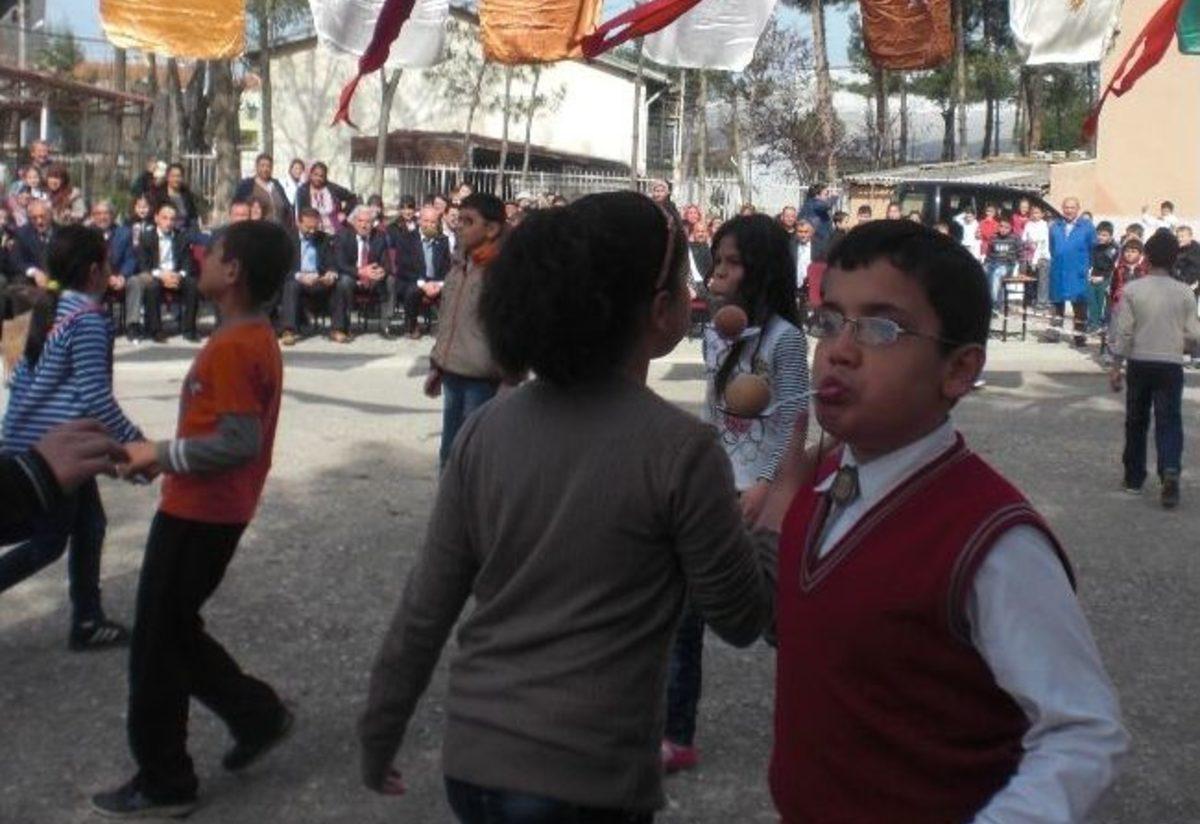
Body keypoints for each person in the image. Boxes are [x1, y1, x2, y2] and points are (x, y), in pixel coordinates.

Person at [359, 190, 774, 822]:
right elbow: (741, 616)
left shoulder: (485, 430)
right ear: (659, 310)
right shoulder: (681, 452)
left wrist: (379, 731)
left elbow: (426, 606)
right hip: (590, 779)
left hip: (473, 762)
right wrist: (775, 517)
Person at [768, 218, 1128, 823]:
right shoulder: (820, 485)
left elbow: (1084, 731)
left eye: (880, 328)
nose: (839, 350)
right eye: (829, 321)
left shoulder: (991, 539)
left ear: (959, 370)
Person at [91, 220, 295, 819]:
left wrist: (160, 452)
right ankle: (257, 716)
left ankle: (166, 781)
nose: (199, 259)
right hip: (207, 506)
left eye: (213, 253)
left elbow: (236, 443)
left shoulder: (235, 346)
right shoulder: (248, 336)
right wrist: (160, 459)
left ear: (233, 272)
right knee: (173, 630)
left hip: (202, 513)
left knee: (156, 644)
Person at [664, 213, 809, 773]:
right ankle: (676, 734)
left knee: (780, 620)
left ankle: (817, 716)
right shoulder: (718, 332)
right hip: (717, 489)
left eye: (733, 263)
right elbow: (713, 409)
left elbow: (793, 417)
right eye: (717, 261)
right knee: (684, 610)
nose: (719, 272)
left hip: (761, 494)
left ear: (762, 270)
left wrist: (768, 485)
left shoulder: (786, 339)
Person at [1, 225, 145, 650]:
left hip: (35, 442)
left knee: (91, 524)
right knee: (48, 541)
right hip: (59, 451)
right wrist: (134, 443)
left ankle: (87, 619)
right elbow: (95, 395)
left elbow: (17, 380)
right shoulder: (88, 321)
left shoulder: (46, 310)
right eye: (108, 260)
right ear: (96, 271)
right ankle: (86, 619)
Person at [1108, 229, 1200, 507]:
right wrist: (1183, 345)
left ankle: (1134, 478)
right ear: (1174, 259)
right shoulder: (1184, 292)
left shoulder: (1133, 290)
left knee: (1136, 420)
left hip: (1140, 361)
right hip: (1170, 363)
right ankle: (1169, 468)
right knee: (1169, 420)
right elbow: (1193, 334)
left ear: (1146, 257)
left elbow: (1124, 332)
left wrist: (1116, 365)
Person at [423, 193, 508, 467]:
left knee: (474, 454)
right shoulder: (458, 265)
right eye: (459, 220)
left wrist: (510, 377)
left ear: (491, 229)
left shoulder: (501, 272)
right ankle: (448, 494)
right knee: (449, 452)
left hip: (483, 378)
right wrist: (438, 362)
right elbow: (449, 318)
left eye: (469, 221)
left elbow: (511, 327)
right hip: (453, 372)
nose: (460, 226)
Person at [0, 420, 128, 534]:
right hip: (56, 467)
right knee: (53, 539)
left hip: (53, 460)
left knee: (90, 527)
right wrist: (32, 474)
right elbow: (117, 428)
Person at [131, 202, 201, 343]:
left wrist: (178, 275)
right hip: (156, 274)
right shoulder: (146, 237)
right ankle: (155, 331)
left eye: (172, 219)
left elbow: (187, 263)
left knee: (192, 284)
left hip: (175, 274)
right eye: (165, 218)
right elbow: (144, 265)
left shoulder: (182, 237)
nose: (169, 223)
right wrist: (162, 275)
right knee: (152, 287)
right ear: (156, 218)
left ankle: (189, 330)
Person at [278, 207, 340, 346]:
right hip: (298, 278)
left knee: (339, 284)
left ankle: (338, 329)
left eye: (315, 227)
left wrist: (331, 273)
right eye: (308, 228)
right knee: (291, 285)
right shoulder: (287, 238)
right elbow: (281, 267)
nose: (312, 232)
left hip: (318, 279)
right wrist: (299, 276)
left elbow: (332, 262)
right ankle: (288, 331)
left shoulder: (324, 238)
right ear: (298, 223)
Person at [331, 205, 391, 343]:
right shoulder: (343, 235)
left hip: (373, 278)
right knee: (344, 281)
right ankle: (340, 328)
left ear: (373, 223)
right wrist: (360, 272)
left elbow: (386, 263)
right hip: (352, 276)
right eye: (360, 221)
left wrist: (381, 271)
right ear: (353, 222)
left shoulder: (379, 237)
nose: (364, 225)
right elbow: (340, 263)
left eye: (368, 222)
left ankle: (385, 326)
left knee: (390, 280)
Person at [394, 205, 451, 339]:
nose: (429, 225)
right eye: (426, 221)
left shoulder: (443, 240)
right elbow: (403, 268)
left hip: (436, 281)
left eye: (433, 222)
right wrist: (423, 284)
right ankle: (412, 326)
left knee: (453, 289)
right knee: (412, 290)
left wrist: (439, 284)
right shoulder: (406, 239)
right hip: (413, 280)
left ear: (438, 224)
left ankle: (444, 327)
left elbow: (446, 267)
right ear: (419, 221)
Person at [1049, 197, 1097, 347]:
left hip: (1077, 271)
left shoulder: (1087, 227)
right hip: (1059, 269)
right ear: (1062, 209)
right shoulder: (1055, 226)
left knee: (1079, 304)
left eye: (1072, 207)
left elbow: (1093, 248)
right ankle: (1054, 332)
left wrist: (1086, 266)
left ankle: (1079, 336)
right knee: (1057, 302)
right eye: (1066, 207)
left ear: (1078, 209)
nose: (1069, 210)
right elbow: (1052, 248)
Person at [88, 202, 137, 325]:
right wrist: (107, 277)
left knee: (135, 282)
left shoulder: (124, 233)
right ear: (93, 216)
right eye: (98, 214)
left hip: (119, 276)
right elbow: (86, 261)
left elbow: (130, 259)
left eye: (106, 213)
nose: (102, 217)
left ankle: (132, 324)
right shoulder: (86, 234)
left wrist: (122, 276)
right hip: (97, 277)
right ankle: (93, 323)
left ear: (113, 215)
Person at [294, 161, 356, 234]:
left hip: (335, 230)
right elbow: (300, 214)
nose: (318, 178)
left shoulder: (333, 188)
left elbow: (353, 198)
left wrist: (344, 213)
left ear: (325, 177)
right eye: (315, 174)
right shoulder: (302, 191)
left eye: (321, 176)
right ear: (311, 174)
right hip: (313, 231)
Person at [234, 153, 292, 228]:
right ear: (256, 167)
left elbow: (287, 206)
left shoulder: (276, 185)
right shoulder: (247, 185)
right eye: (262, 165)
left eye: (268, 166)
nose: (265, 169)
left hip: (278, 229)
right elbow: (238, 207)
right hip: (257, 228)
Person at [12, 199, 55, 287]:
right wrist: (34, 272)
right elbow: (17, 261)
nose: (39, 222)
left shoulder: (62, 232)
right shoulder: (22, 234)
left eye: (43, 217)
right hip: (33, 282)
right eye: (34, 218)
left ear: (50, 215)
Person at [149, 163, 201, 235]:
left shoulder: (187, 195)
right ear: (167, 177)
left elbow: (193, 216)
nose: (176, 179)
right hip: (166, 232)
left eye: (179, 176)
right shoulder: (158, 195)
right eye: (173, 176)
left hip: (186, 232)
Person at [983, 213, 1020, 307]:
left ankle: (994, 303)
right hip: (993, 263)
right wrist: (985, 264)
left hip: (1007, 265)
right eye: (1001, 226)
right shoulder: (994, 237)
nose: (1003, 229)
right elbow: (989, 254)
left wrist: (1019, 267)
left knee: (997, 273)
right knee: (983, 271)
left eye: (1006, 227)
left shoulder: (1015, 238)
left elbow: (1020, 253)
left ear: (1011, 228)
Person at [1088, 221, 1120, 333]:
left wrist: (1103, 278)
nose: (1100, 237)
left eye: (1104, 235)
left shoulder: (1113, 249)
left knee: (1102, 301)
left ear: (1110, 236)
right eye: (1099, 234)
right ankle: (1093, 323)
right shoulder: (1096, 247)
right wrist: (1090, 274)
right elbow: (1092, 263)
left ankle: (1102, 324)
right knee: (1092, 301)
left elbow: (1113, 267)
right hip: (1093, 276)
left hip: (1106, 278)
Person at [1021, 203, 1051, 306]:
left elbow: (1041, 243)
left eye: (1037, 213)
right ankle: (1030, 299)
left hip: (1042, 255)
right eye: (1033, 213)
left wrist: (1035, 260)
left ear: (1042, 214)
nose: (1035, 215)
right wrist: (1029, 243)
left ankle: (1042, 301)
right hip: (1030, 255)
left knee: (1042, 278)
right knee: (1029, 278)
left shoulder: (1044, 225)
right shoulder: (1028, 224)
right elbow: (1024, 238)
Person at [1110, 238, 1146, 312]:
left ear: (1140, 254)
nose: (1129, 254)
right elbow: (1113, 288)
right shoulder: (1119, 269)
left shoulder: (1143, 271)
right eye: (1127, 251)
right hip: (1120, 306)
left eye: (1133, 251)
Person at [1174, 225, 1200, 297]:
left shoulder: (1196, 251)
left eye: (1182, 236)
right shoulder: (1176, 249)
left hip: (1191, 288)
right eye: (1177, 237)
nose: (1179, 239)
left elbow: (1195, 272)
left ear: (1190, 237)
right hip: (1177, 287)